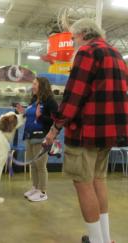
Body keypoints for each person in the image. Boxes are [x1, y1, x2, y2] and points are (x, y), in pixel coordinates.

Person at [45, 18, 128, 243]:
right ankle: (105, 238)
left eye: (73, 38)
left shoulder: (87, 53)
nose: (73, 43)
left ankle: (96, 240)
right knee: (98, 181)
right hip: (110, 133)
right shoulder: (117, 55)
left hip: (85, 133)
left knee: (83, 184)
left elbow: (73, 97)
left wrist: (54, 128)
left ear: (82, 34)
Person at [16, 77, 58, 202]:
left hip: (42, 137)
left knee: (40, 165)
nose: (32, 86)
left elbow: (56, 119)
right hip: (29, 136)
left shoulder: (50, 100)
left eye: (34, 84)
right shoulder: (34, 99)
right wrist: (23, 112)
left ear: (42, 85)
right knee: (33, 164)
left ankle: (43, 192)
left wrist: (42, 116)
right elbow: (32, 115)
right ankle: (35, 188)